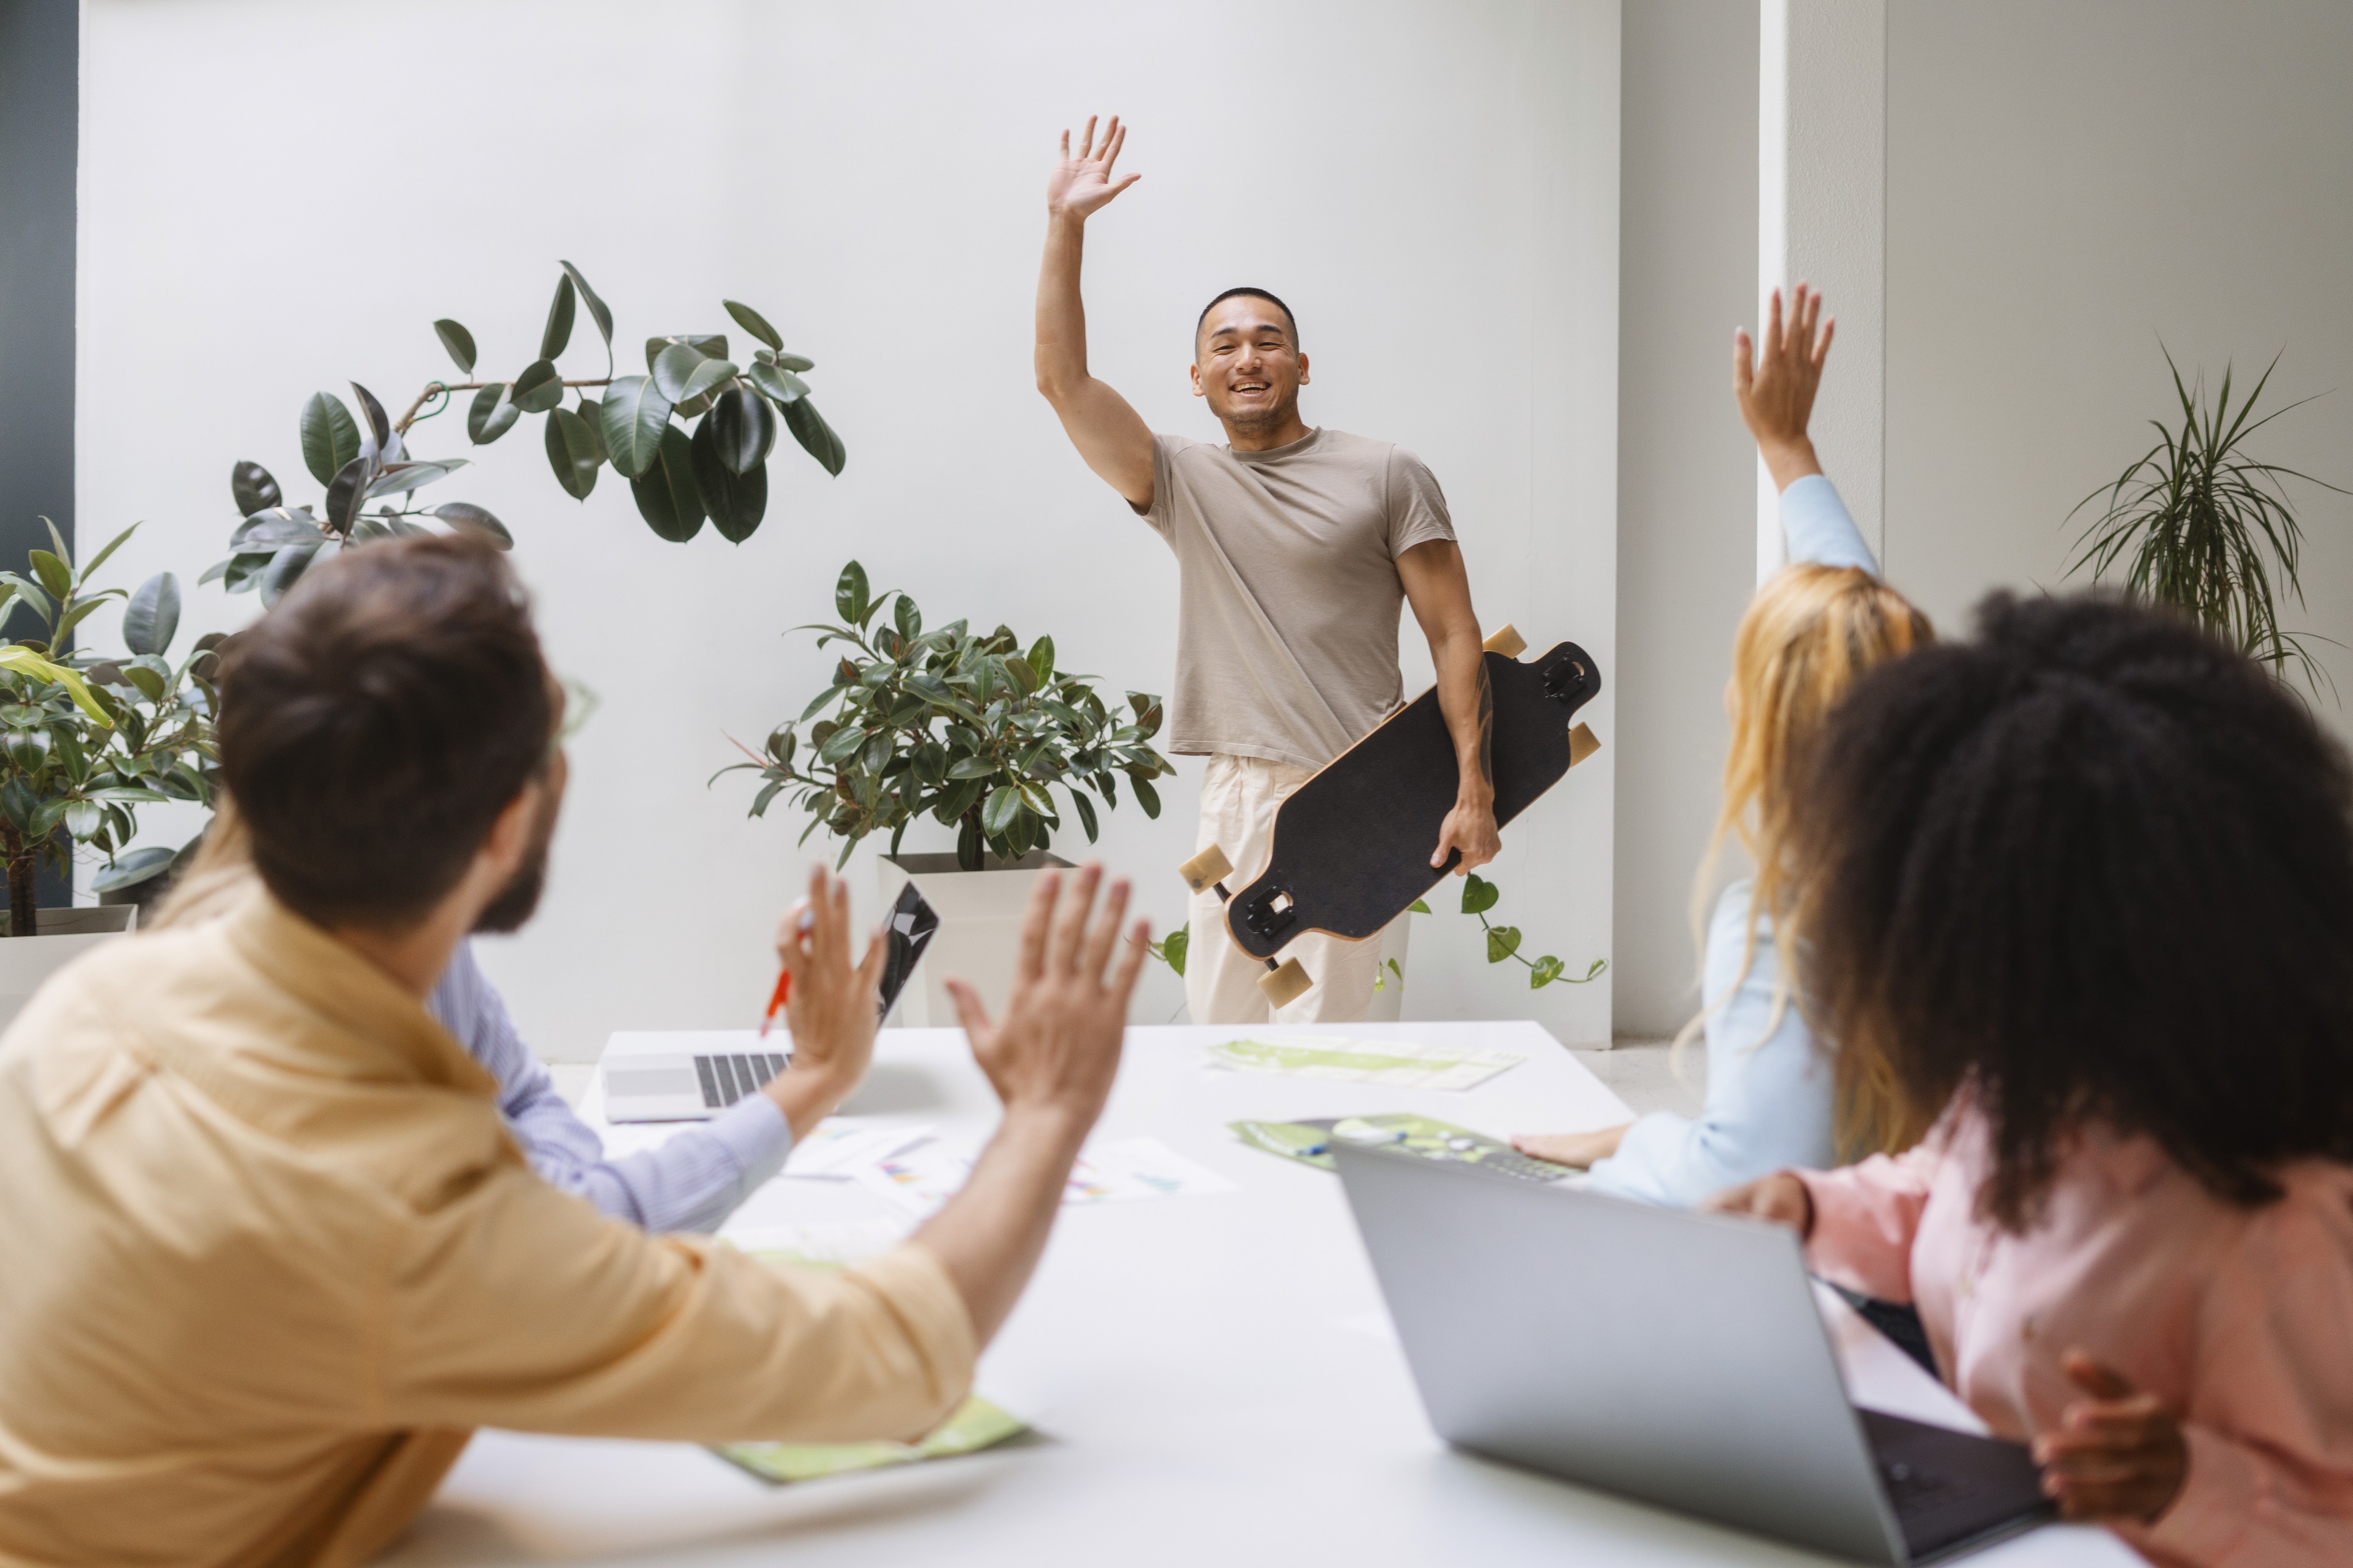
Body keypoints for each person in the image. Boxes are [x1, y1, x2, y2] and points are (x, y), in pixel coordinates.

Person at [0, 535, 1151, 1566]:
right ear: (508, 821)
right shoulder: (399, 1219)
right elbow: (892, 1356)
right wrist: (1048, 1109)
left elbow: (536, 1159)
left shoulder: (88, 1004)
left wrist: (802, 1085)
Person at [1707, 591, 2353, 1561]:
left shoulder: (2274, 1232)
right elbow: (1941, 1189)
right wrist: (1807, 1208)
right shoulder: (2024, 1078)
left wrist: (2187, 1480)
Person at [1033, 115, 1498, 1026]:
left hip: (1361, 787)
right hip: (1235, 797)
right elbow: (1063, 381)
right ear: (1199, 377)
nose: (1248, 356)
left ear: (1302, 364)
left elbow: (1454, 632)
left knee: (1330, 1055)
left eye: (1269, 340)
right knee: (1221, 1043)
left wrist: (1472, 784)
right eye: (1227, 345)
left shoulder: (1387, 472)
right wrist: (1065, 225)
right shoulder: (1177, 479)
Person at [1513, 285, 1932, 1200]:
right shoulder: (1966, 857)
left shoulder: (1787, 922)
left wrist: (1637, 1146)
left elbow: (1747, 1182)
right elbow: (1861, 641)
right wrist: (1791, 455)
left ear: (1768, 724)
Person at [157, 801, 792, 1235]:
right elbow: (565, 1238)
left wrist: (536, 1179)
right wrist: (811, 1083)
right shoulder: (291, 1014)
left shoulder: (424, 926)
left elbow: (529, 1096)